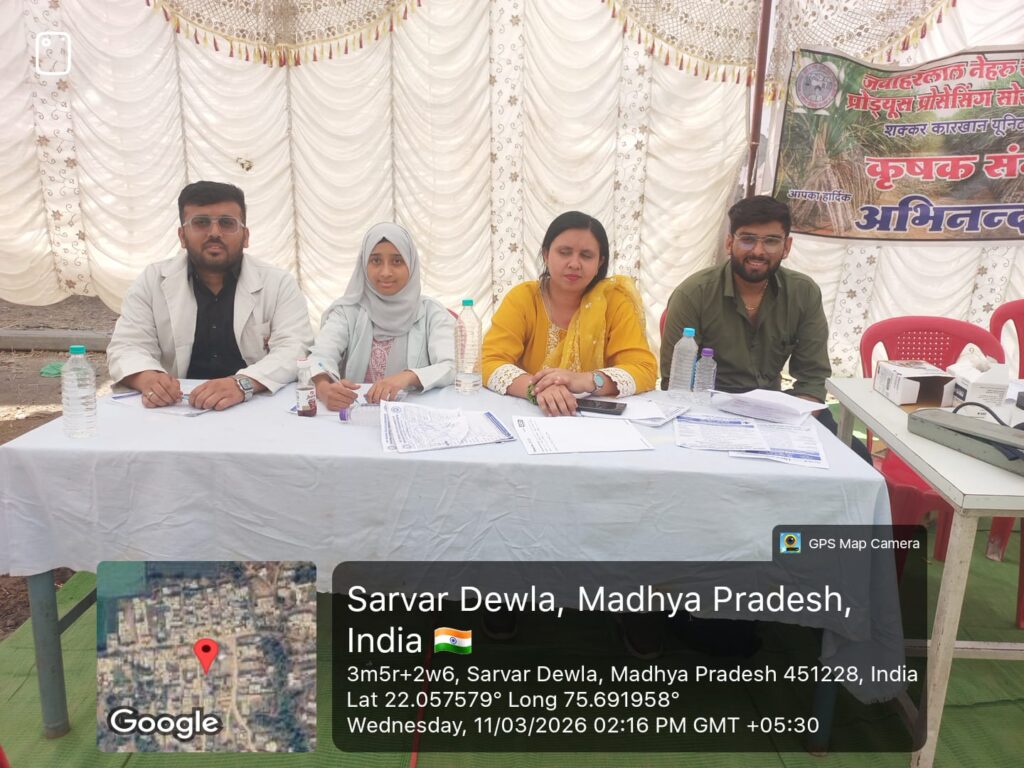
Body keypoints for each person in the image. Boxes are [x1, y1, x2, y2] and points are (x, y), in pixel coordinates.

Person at [661, 194, 871, 461]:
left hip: (778, 413)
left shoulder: (803, 293)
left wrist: (792, 422)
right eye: (748, 239)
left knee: (857, 458)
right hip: (709, 411)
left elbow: (812, 378)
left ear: (787, 246)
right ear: (729, 243)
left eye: (771, 241)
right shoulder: (694, 293)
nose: (759, 252)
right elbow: (675, 382)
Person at [107, 181, 312, 410]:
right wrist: (149, 379)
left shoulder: (278, 283)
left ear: (245, 236)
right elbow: (128, 345)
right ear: (182, 236)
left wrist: (242, 384)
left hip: (255, 403)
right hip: (177, 407)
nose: (214, 233)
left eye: (227, 223)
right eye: (201, 222)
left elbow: (295, 348)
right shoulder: (152, 280)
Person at [482, 211, 657, 415]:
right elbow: (488, 361)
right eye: (564, 252)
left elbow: (644, 369)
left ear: (600, 262)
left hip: (596, 420)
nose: (574, 264)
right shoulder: (524, 298)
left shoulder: (615, 302)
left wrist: (588, 380)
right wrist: (537, 389)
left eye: (586, 255)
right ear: (546, 255)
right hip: (531, 414)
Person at [307, 222, 455, 409]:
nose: (386, 272)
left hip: (413, 415)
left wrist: (409, 376)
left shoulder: (432, 313)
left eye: (397, 261)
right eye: (376, 261)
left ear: (411, 264)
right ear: (364, 265)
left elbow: (451, 365)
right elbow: (320, 355)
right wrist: (323, 388)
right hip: (355, 414)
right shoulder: (347, 311)